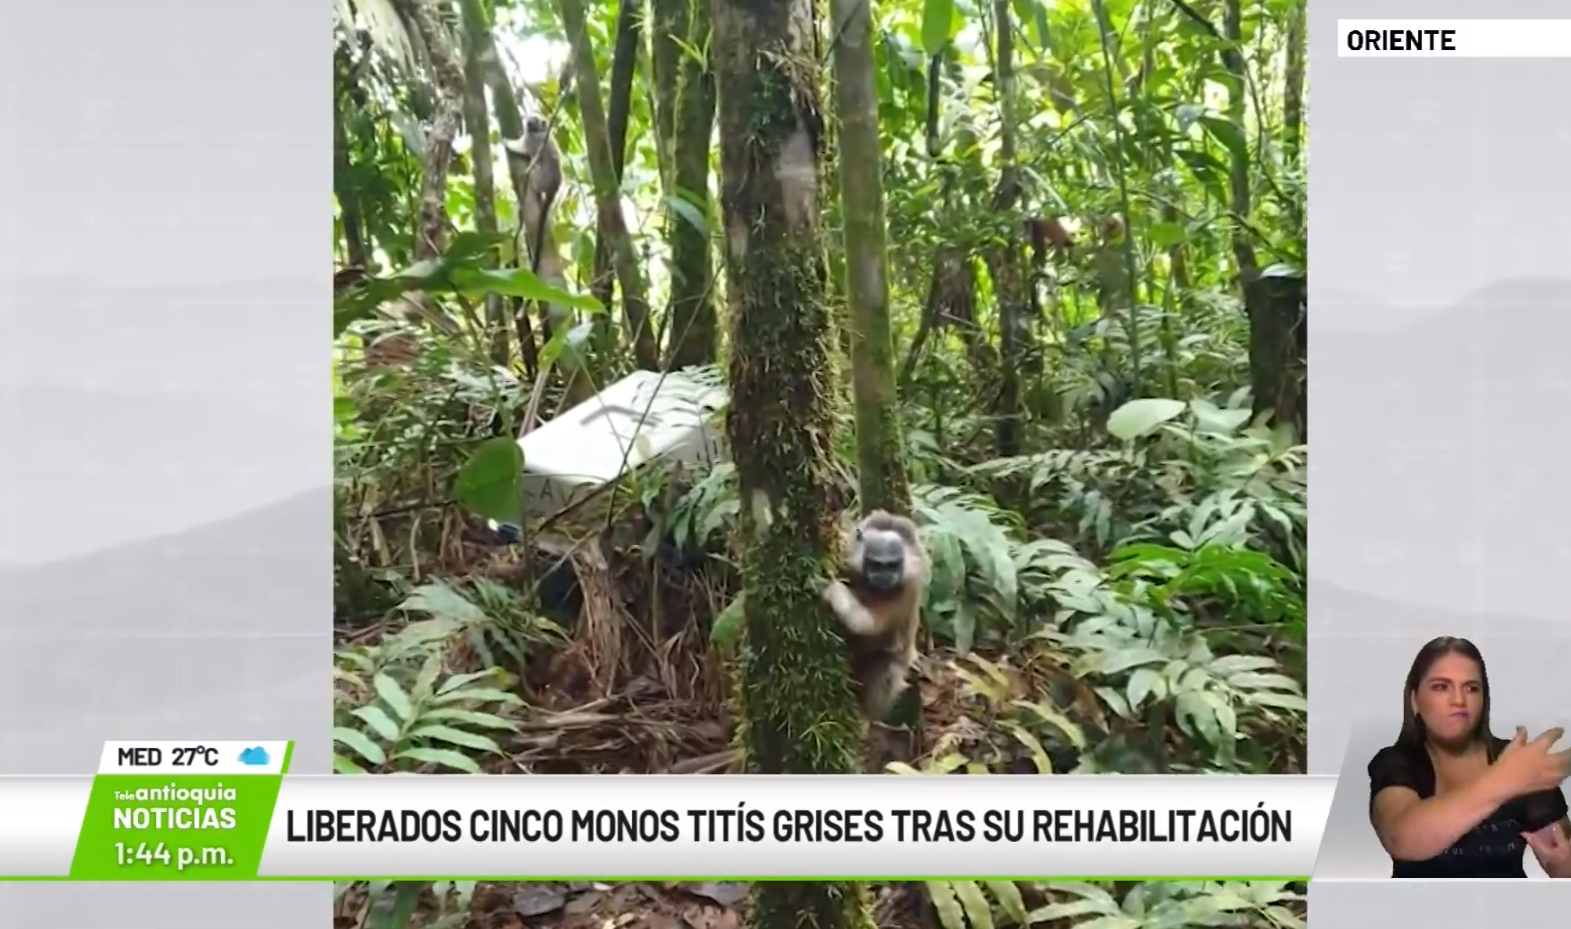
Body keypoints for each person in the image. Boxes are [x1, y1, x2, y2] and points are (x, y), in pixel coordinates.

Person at [1367, 636, 1571, 878]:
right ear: (1415, 701)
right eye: (1441, 687)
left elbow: (1561, 856)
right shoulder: (1396, 763)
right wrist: (1507, 780)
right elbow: (1401, 838)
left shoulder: (1518, 760)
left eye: (1471, 688)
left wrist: (1564, 870)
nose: (1458, 700)